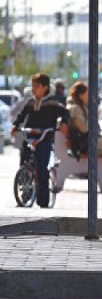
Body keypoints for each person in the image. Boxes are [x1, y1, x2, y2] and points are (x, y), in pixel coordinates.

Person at [11, 73, 71, 208]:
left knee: (41, 168)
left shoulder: (54, 103)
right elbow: (21, 116)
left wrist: (63, 123)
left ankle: (43, 201)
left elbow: (65, 114)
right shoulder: (31, 102)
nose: (33, 89)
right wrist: (15, 125)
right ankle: (26, 196)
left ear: (45, 87)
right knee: (25, 162)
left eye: (36, 86)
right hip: (29, 136)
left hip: (44, 137)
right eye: (32, 86)